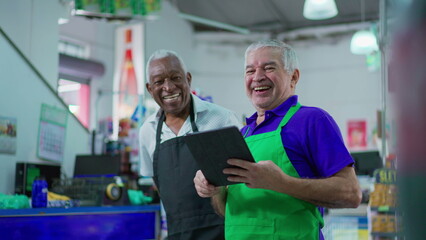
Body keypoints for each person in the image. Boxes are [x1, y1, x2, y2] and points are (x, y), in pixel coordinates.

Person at [194, 40, 362, 239]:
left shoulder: (312, 120)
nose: (257, 77)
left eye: (268, 67)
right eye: (250, 71)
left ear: (293, 76)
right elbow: (227, 210)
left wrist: (280, 182)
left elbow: (351, 194)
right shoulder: (242, 135)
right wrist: (214, 188)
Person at [139, 49, 242, 240]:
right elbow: (159, 185)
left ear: (188, 79)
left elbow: (245, 181)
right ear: (149, 88)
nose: (168, 87)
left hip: (224, 232)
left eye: (175, 78)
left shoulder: (222, 119)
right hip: (178, 233)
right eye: (159, 81)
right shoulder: (148, 131)